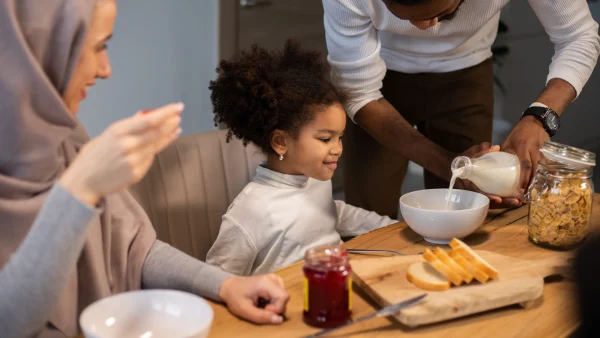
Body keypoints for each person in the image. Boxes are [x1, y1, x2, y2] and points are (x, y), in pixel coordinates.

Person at [0, 1, 288, 337]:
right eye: (96, 46)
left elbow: (133, 249)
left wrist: (225, 285)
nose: (105, 68)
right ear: (37, 51)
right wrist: (79, 190)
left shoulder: (63, 134)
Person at [323, 0, 600, 217]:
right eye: (403, 15)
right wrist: (450, 164)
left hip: (468, 70)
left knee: (468, 209)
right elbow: (359, 91)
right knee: (367, 208)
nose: (424, 29)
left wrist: (540, 116)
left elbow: (579, 36)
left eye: (440, 14)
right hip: (379, 83)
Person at [205, 41, 401, 276]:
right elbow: (217, 279)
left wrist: (391, 227)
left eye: (339, 138)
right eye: (326, 139)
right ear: (281, 142)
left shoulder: (315, 180)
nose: (338, 148)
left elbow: (329, 212)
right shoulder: (252, 210)